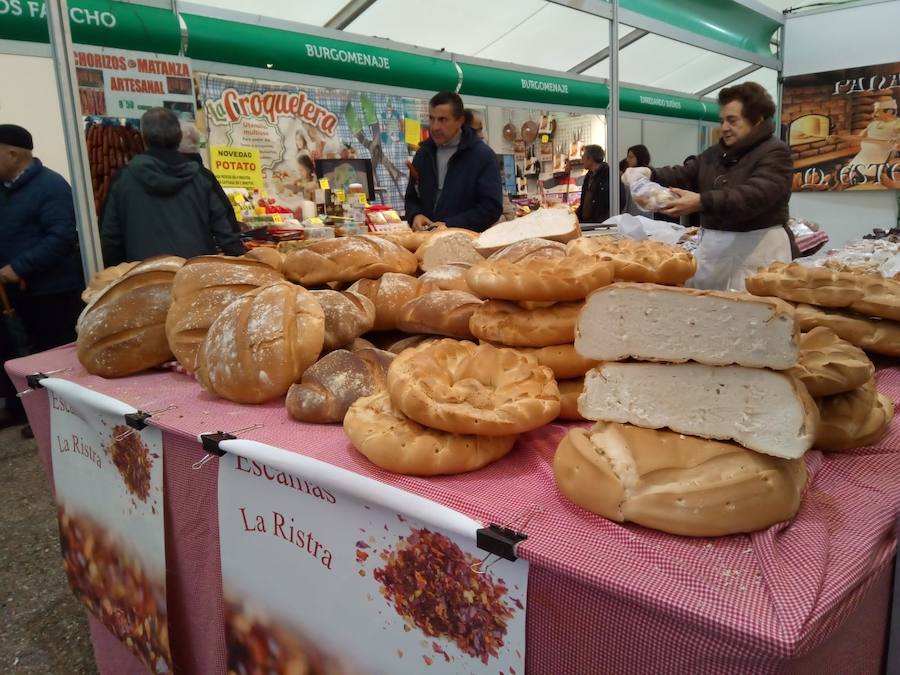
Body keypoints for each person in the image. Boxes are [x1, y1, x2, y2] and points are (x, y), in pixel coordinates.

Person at [623, 82, 796, 291]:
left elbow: (755, 195)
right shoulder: (716, 153)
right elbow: (686, 173)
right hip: (715, 252)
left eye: (732, 120)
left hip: (757, 250)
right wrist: (650, 172)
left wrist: (701, 201)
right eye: (722, 120)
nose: (724, 127)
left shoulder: (775, 152)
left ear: (757, 119)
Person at [0, 124, 84, 430]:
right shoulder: (4, 191)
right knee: (15, 354)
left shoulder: (51, 186)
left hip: (52, 291)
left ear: (12, 153)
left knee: (51, 357)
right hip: (15, 295)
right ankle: (20, 409)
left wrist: (18, 267)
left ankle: (54, 416)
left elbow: (61, 237)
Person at [101, 107, 245, 265]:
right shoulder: (202, 177)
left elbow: (110, 239)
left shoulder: (122, 179)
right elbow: (228, 232)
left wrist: (119, 276)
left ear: (144, 138)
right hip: (194, 277)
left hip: (143, 279)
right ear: (178, 136)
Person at [405, 92, 501, 232]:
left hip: (465, 245)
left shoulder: (482, 156)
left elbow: (491, 208)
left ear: (460, 121)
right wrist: (415, 215)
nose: (435, 127)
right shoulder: (423, 154)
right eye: (432, 119)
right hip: (425, 243)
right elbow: (411, 197)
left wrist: (451, 225)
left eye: (443, 120)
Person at [178, 122, 241, 234]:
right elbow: (223, 216)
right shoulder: (204, 176)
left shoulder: (152, 173)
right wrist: (234, 248)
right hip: (200, 247)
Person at [829, 98, 900, 180]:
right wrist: (840, 137)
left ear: (889, 112)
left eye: (877, 111)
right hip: (860, 159)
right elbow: (859, 137)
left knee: (848, 177)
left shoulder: (897, 123)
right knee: (840, 176)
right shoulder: (873, 124)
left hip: (874, 164)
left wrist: (897, 140)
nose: (874, 114)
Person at [574, 145, 614, 224]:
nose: (582, 159)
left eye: (584, 156)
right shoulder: (589, 176)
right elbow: (585, 202)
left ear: (590, 159)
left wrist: (604, 221)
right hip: (587, 223)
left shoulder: (609, 175)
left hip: (601, 226)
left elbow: (620, 200)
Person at [622, 144, 654, 217]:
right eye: (627, 157)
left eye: (631, 157)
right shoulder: (628, 174)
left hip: (642, 216)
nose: (627, 160)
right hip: (630, 216)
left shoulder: (649, 174)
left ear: (639, 158)